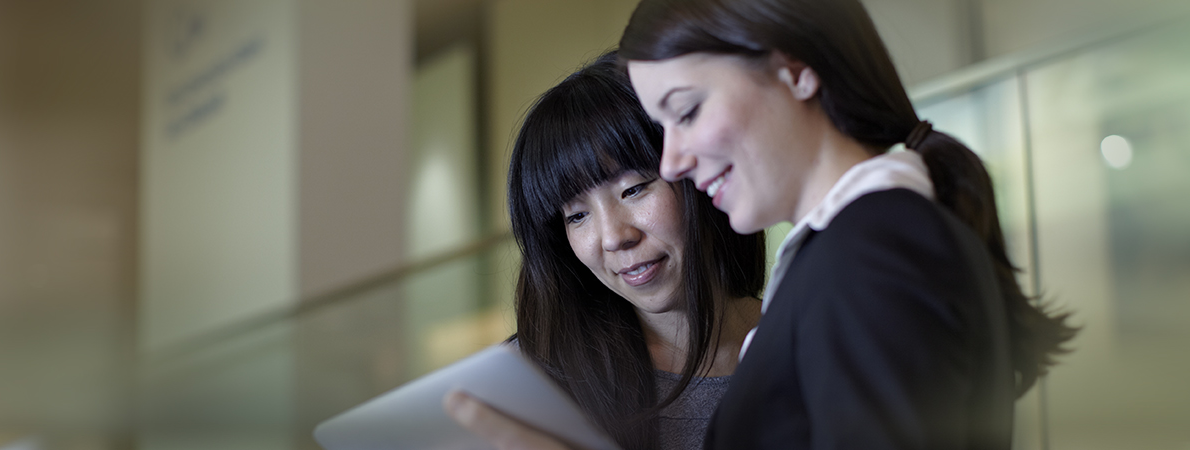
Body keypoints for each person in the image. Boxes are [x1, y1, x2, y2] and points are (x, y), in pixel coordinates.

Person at [615, 0, 1079, 449]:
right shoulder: (861, 242)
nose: (672, 162)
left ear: (795, 71)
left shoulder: (873, 247)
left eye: (688, 112)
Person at [442, 53, 767, 450]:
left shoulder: (810, 331)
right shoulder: (529, 385)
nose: (613, 237)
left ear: (699, 172)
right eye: (576, 216)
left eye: (633, 189)